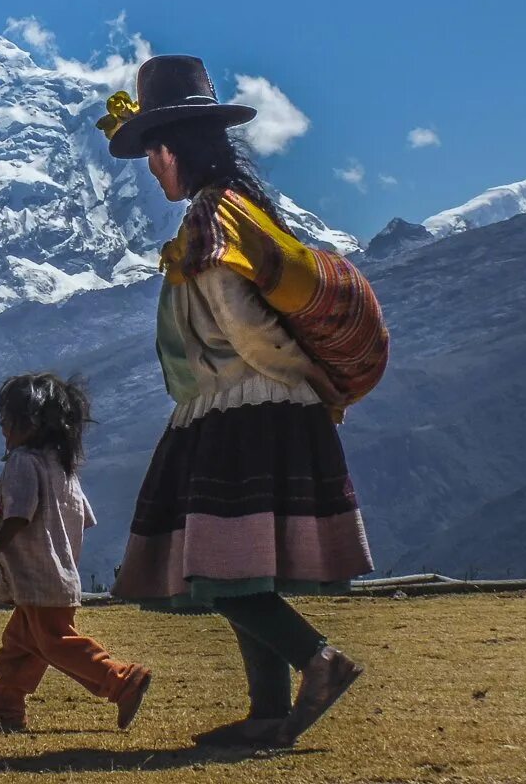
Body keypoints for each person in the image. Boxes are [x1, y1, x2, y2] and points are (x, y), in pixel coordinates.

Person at [101, 55, 375, 749]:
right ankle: (267, 714)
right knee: (238, 565)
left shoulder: (213, 219)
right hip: (250, 402)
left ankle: (319, 661)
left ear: (167, 151)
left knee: (220, 570)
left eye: (153, 157)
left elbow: (243, 324)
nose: (153, 170)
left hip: (244, 406)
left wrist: (293, 382)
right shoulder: (233, 208)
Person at [0, 372, 153, 733]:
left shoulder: (23, 462)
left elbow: (19, 513)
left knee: (54, 642)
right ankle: (4, 709)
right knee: (20, 645)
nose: (2, 427)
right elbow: (83, 519)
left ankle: (120, 679)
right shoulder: (63, 467)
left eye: (8, 419)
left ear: (31, 423)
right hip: (59, 574)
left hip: (37, 576)